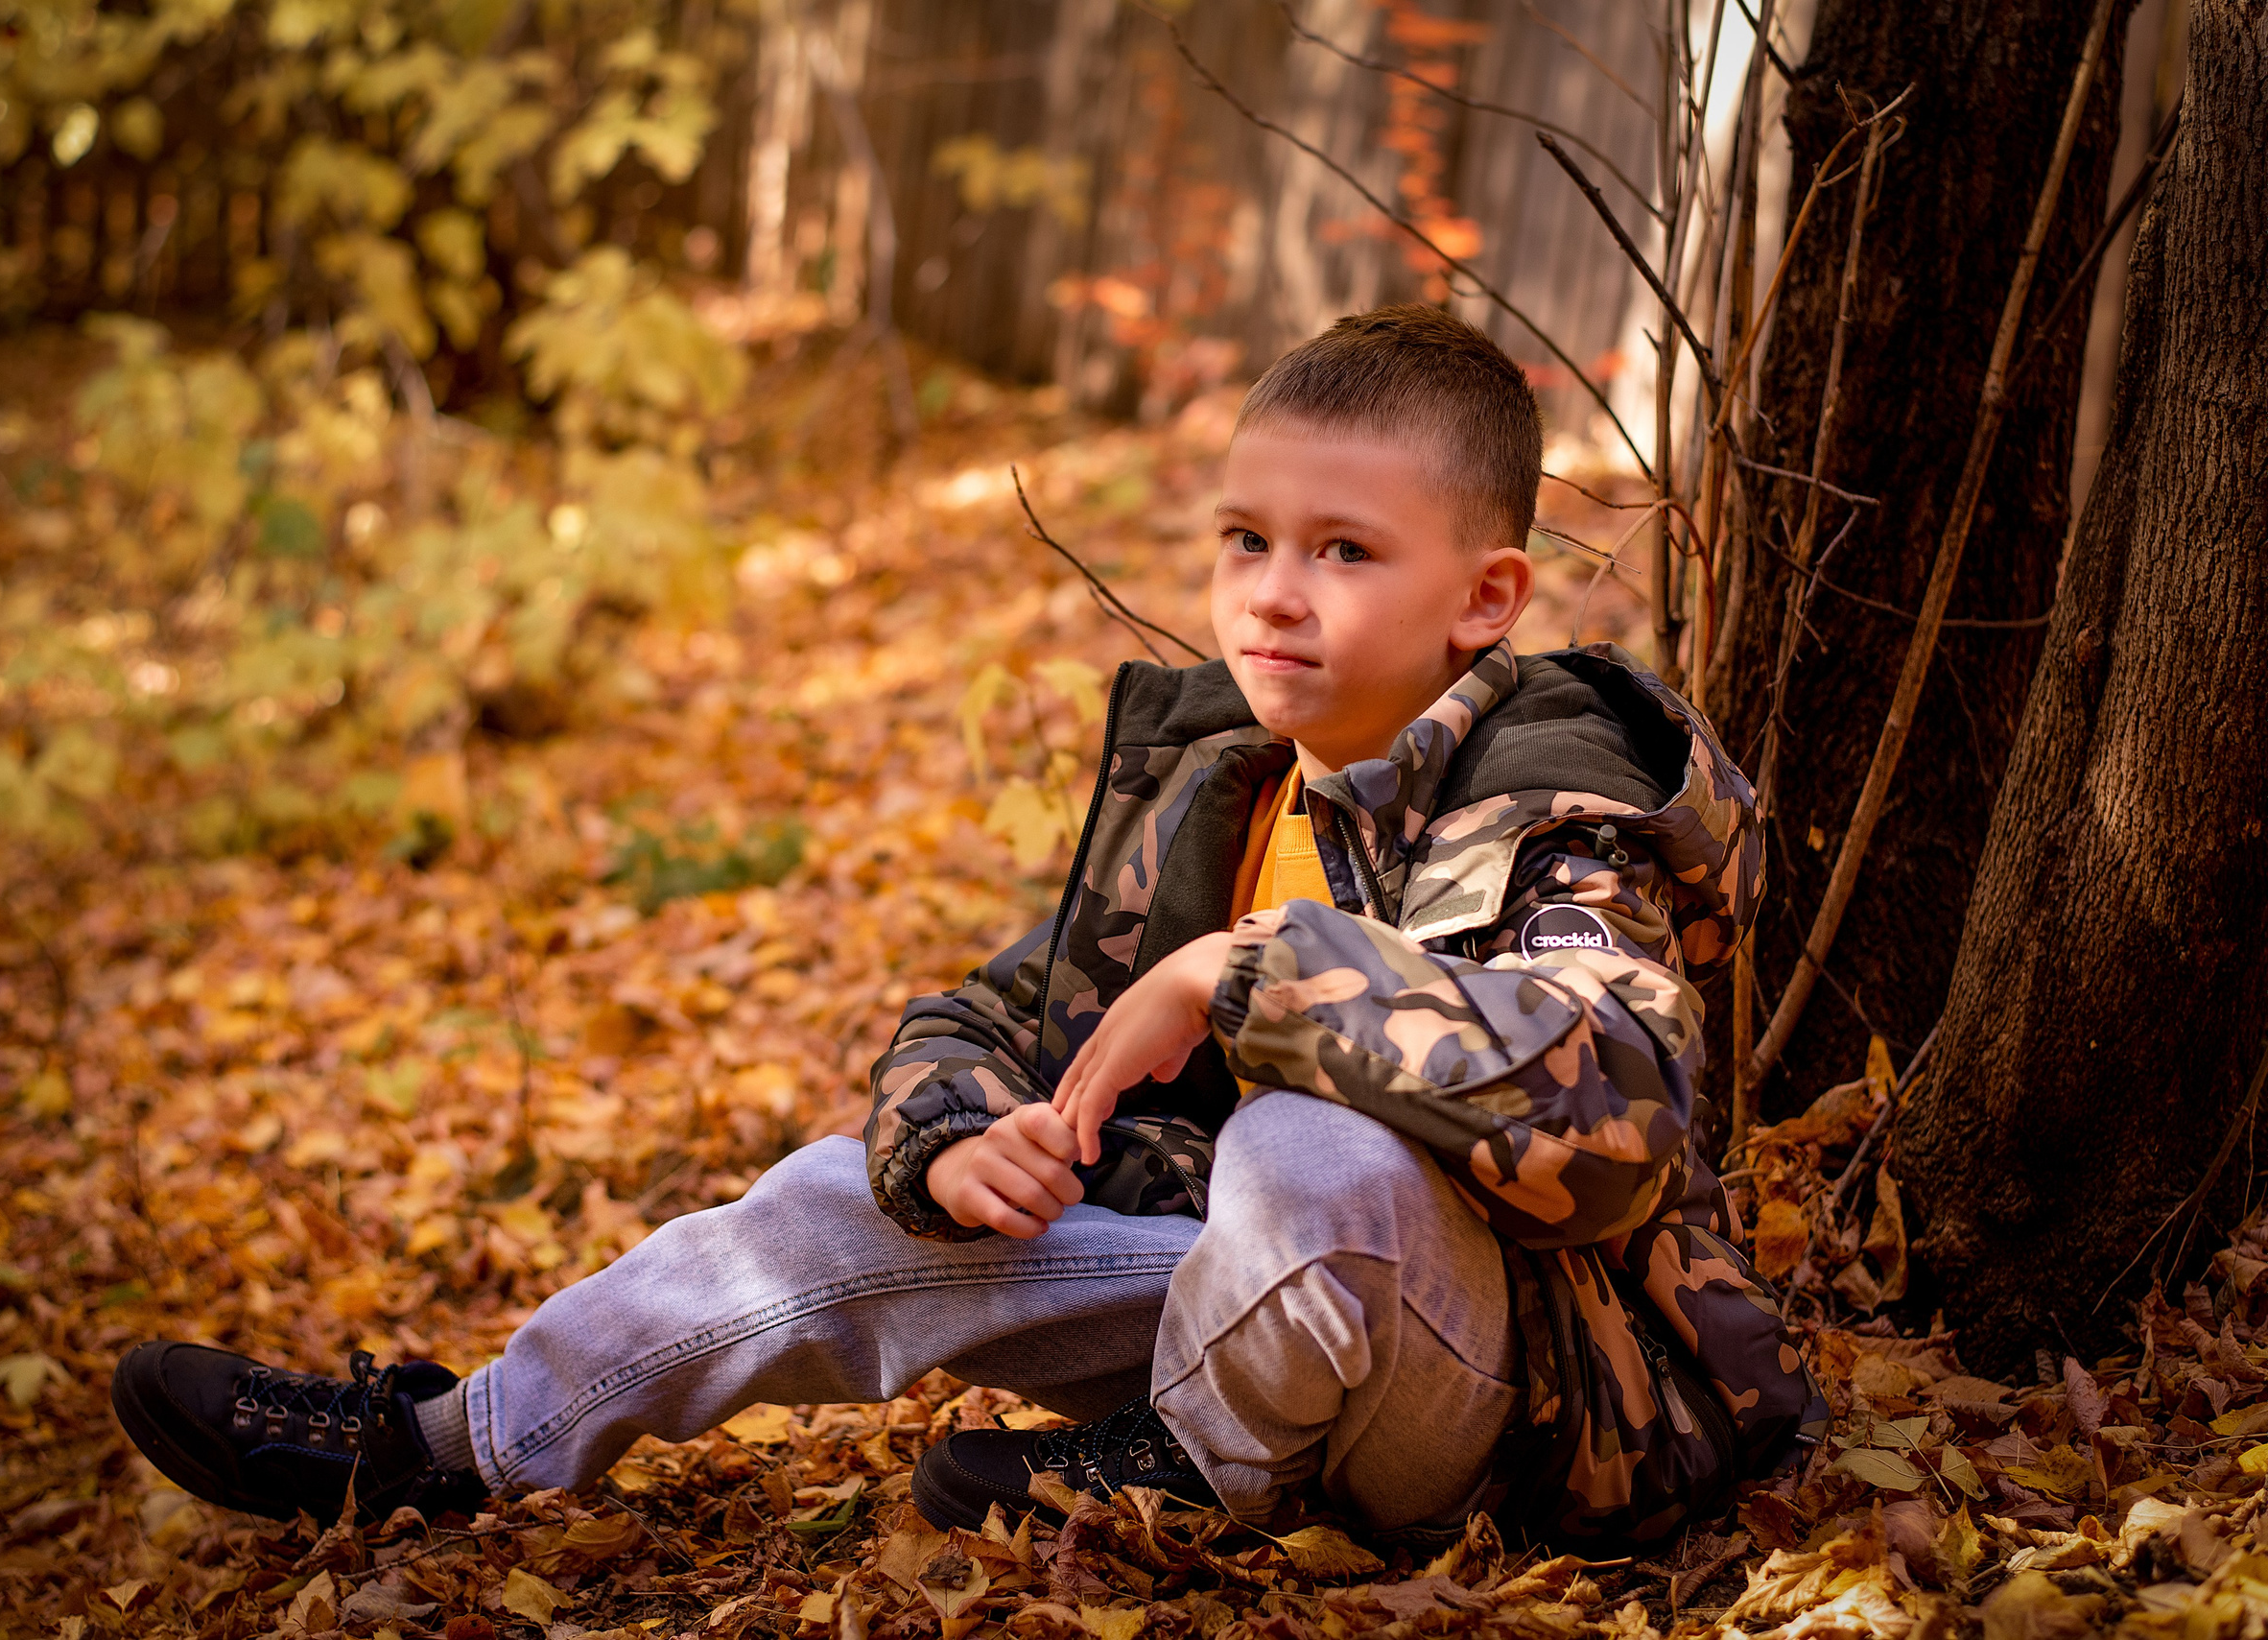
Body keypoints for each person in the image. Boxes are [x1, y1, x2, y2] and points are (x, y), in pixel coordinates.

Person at [111, 305, 1815, 1543]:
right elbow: (991, 1012)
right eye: (1246, 537)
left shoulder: (1559, 779)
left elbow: (1622, 1115)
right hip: (1239, 1313)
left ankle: (1190, 1487)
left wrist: (1239, 972)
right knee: (819, 1205)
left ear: (1484, 597)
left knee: (1316, 1141)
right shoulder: (1221, 784)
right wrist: (941, 1136)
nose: (1272, 592)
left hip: (1512, 1392)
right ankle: (449, 1438)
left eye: (1344, 549)